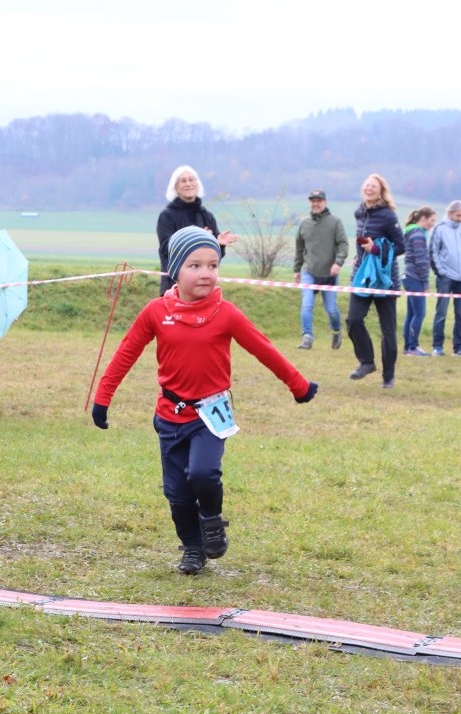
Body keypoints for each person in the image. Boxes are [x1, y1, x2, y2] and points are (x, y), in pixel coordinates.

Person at [91, 226, 317, 575]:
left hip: (211, 414)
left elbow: (264, 349)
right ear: (175, 270)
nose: (206, 273)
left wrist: (298, 385)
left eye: (213, 265)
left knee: (203, 472)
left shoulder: (227, 314)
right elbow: (126, 353)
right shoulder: (155, 312)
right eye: (195, 265)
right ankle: (193, 548)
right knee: (177, 493)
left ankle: (211, 520)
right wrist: (103, 397)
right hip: (169, 415)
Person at [347, 173, 405, 389]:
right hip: (363, 276)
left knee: (388, 330)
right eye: (367, 185)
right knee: (353, 320)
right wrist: (359, 256)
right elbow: (362, 240)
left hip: (385, 279)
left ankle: (388, 376)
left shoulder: (388, 215)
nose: (369, 189)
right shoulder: (359, 212)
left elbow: (401, 246)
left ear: (381, 192)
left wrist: (377, 250)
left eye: (374, 186)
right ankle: (367, 362)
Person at [156, 166, 237, 295]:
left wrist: (217, 244)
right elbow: (166, 249)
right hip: (175, 287)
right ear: (175, 187)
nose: (188, 184)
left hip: (203, 287)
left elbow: (215, 258)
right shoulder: (167, 216)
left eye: (191, 180)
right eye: (183, 181)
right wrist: (195, 238)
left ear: (197, 184)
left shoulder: (207, 216)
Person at [293, 189, 348, 350]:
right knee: (307, 305)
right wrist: (297, 269)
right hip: (309, 272)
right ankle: (307, 337)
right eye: (313, 201)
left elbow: (343, 244)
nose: (316, 204)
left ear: (325, 202)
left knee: (331, 309)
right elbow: (299, 247)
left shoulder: (335, 222)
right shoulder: (304, 224)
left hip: (329, 274)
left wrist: (338, 263)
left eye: (319, 201)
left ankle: (336, 332)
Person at [430, 200, 461, 357]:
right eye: (458, 215)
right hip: (445, 278)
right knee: (441, 313)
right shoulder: (439, 229)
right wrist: (441, 272)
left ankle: (459, 347)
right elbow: (433, 252)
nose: (460, 218)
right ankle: (437, 346)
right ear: (450, 213)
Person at [402, 206, 436, 356]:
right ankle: (413, 346)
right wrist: (425, 282)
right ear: (423, 218)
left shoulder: (412, 232)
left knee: (411, 314)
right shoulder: (418, 235)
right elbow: (421, 261)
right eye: (431, 220)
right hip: (415, 277)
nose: (433, 224)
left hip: (409, 276)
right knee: (420, 313)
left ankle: (407, 347)